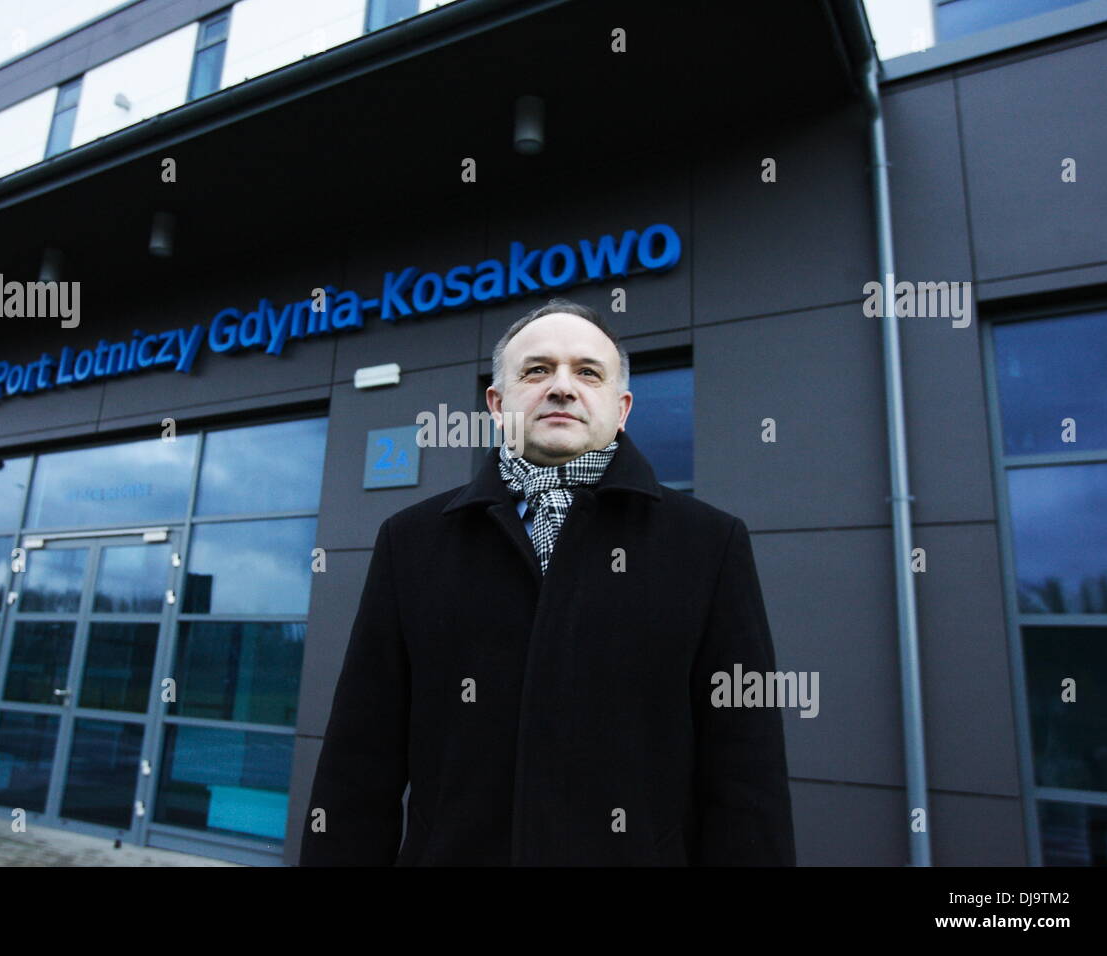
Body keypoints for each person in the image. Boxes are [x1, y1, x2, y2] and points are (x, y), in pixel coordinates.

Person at [299, 297, 796, 866]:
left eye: (588, 372)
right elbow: (359, 761)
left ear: (623, 406)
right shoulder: (411, 542)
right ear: (496, 402)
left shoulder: (709, 544)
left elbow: (745, 773)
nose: (562, 387)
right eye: (537, 370)